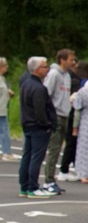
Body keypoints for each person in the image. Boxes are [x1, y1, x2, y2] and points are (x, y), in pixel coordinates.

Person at [18, 57, 56, 199]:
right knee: (36, 157)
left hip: (27, 124)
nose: (47, 69)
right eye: (45, 67)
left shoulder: (25, 84)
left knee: (27, 156)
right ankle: (33, 187)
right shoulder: (39, 88)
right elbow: (40, 110)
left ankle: (24, 186)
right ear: (37, 69)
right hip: (38, 126)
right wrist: (47, 124)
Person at [40, 49, 76, 195]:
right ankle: (48, 181)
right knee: (54, 150)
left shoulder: (67, 75)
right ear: (62, 60)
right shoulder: (54, 74)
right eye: (70, 59)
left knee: (58, 149)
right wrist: (49, 115)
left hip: (65, 114)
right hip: (56, 115)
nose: (73, 62)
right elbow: (46, 94)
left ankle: (51, 180)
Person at [0, 57, 16, 161]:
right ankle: (6, 152)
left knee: (3, 130)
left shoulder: (2, 78)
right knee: (4, 130)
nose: (7, 67)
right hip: (0, 109)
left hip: (3, 108)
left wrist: (8, 92)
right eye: (5, 65)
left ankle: (5, 151)